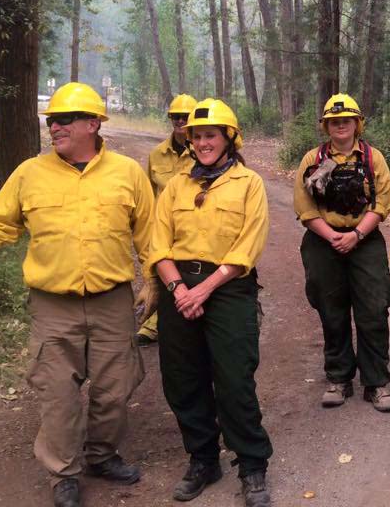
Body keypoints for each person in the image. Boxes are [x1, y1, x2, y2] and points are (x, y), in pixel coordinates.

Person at [0, 82, 153, 507]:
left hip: (113, 301)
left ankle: (102, 456)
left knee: (115, 389)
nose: (54, 126)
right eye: (51, 120)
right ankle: (63, 475)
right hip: (53, 305)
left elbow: (150, 234)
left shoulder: (127, 173)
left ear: (93, 123)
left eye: (65, 120)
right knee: (58, 395)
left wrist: (156, 280)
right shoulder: (30, 173)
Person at [147, 98, 273, 506]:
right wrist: (179, 290)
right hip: (179, 289)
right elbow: (158, 244)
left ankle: (252, 464)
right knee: (183, 378)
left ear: (228, 138)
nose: (202, 142)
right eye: (196, 135)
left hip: (229, 287)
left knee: (235, 379)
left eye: (210, 135)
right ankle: (203, 458)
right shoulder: (176, 186)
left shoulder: (248, 183)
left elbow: (247, 246)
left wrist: (204, 289)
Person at [293, 93, 390, 412]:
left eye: (346, 120)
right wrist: (333, 237)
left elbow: (383, 202)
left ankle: (376, 382)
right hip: (323, 243)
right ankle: (339, 378)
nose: (341, 125)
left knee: (373, 310)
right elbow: (305, 207)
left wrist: (356, 234)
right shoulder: (313, 159)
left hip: (364, 240)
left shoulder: (372, 158)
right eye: (334, 121)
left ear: (357, 124)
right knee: (331, 311)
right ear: (326, 125)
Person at [136, 93, 197, 346]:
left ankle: (180, 321)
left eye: (185, 117)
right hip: (163, 225)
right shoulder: (157, 155)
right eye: (175, 116)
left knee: (189, 275)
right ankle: (155, 322)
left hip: (192, 225)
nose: (180, 121)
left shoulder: (206, 149)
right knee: (161, 271)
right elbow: (148, 195)